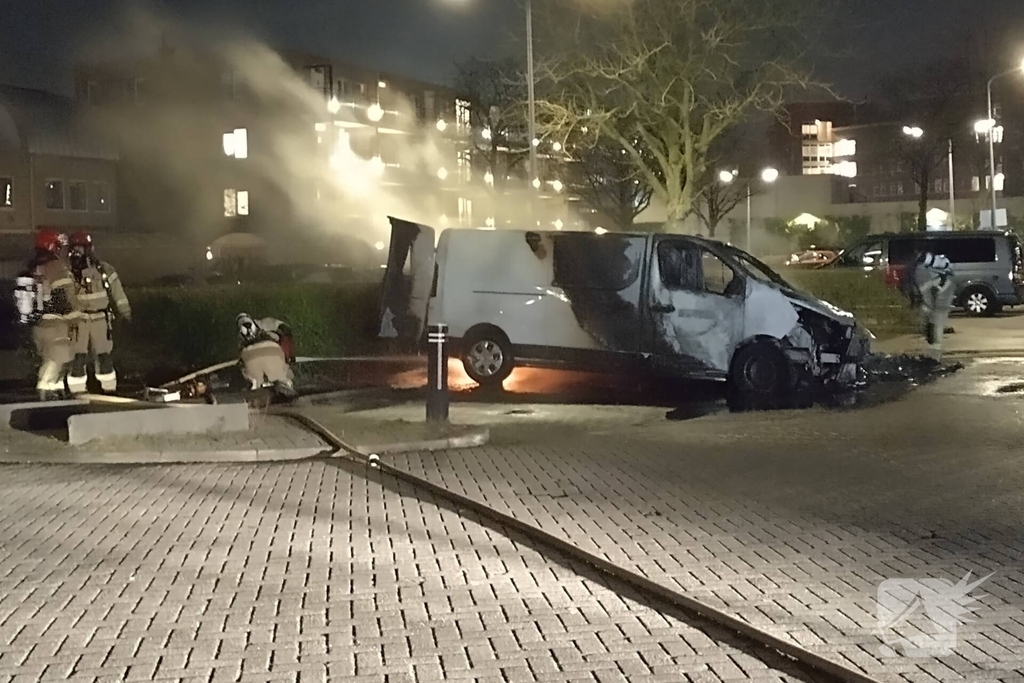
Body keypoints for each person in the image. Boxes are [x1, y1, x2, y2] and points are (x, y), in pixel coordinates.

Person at [66, 232, 131, 394]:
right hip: (78, 323)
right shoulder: (67, 272)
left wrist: (126, 314)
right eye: (74, 249)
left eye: (79, 249)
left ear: (88, 249)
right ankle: (78, 393)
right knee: (77, 359)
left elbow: (119, 294)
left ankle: (109, 391)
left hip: (100, 320)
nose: (76, 253)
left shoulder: (105, 270)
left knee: (104, 357)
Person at [16, 229, 75, 399]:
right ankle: (44, 389)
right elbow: (67, 292)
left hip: (38, 324)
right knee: (59, 357)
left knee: (49, 357)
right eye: (58, 246)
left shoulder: (32, 267)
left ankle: (54, 391)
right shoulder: (57, 266)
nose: (60, 250)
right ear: (51, 246)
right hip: (55, 321)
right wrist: (75, 313)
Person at [237, 313, 296, 398]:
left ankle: (256, 385)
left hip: (250, 357)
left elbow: (242, 360)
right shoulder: (267, 323)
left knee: (252, 379)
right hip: (275, 351)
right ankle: (284, 382)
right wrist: (288, 355)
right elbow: (286, 330)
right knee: (284, 374)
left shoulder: (240, 338)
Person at [915, 252, 956, 362]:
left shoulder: (922, 269)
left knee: (936, 322)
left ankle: (935, 356)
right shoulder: (932, 265)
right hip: (940, 286)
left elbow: (925, 290)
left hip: (940, 288)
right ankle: (934, 352)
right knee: (934, 322)